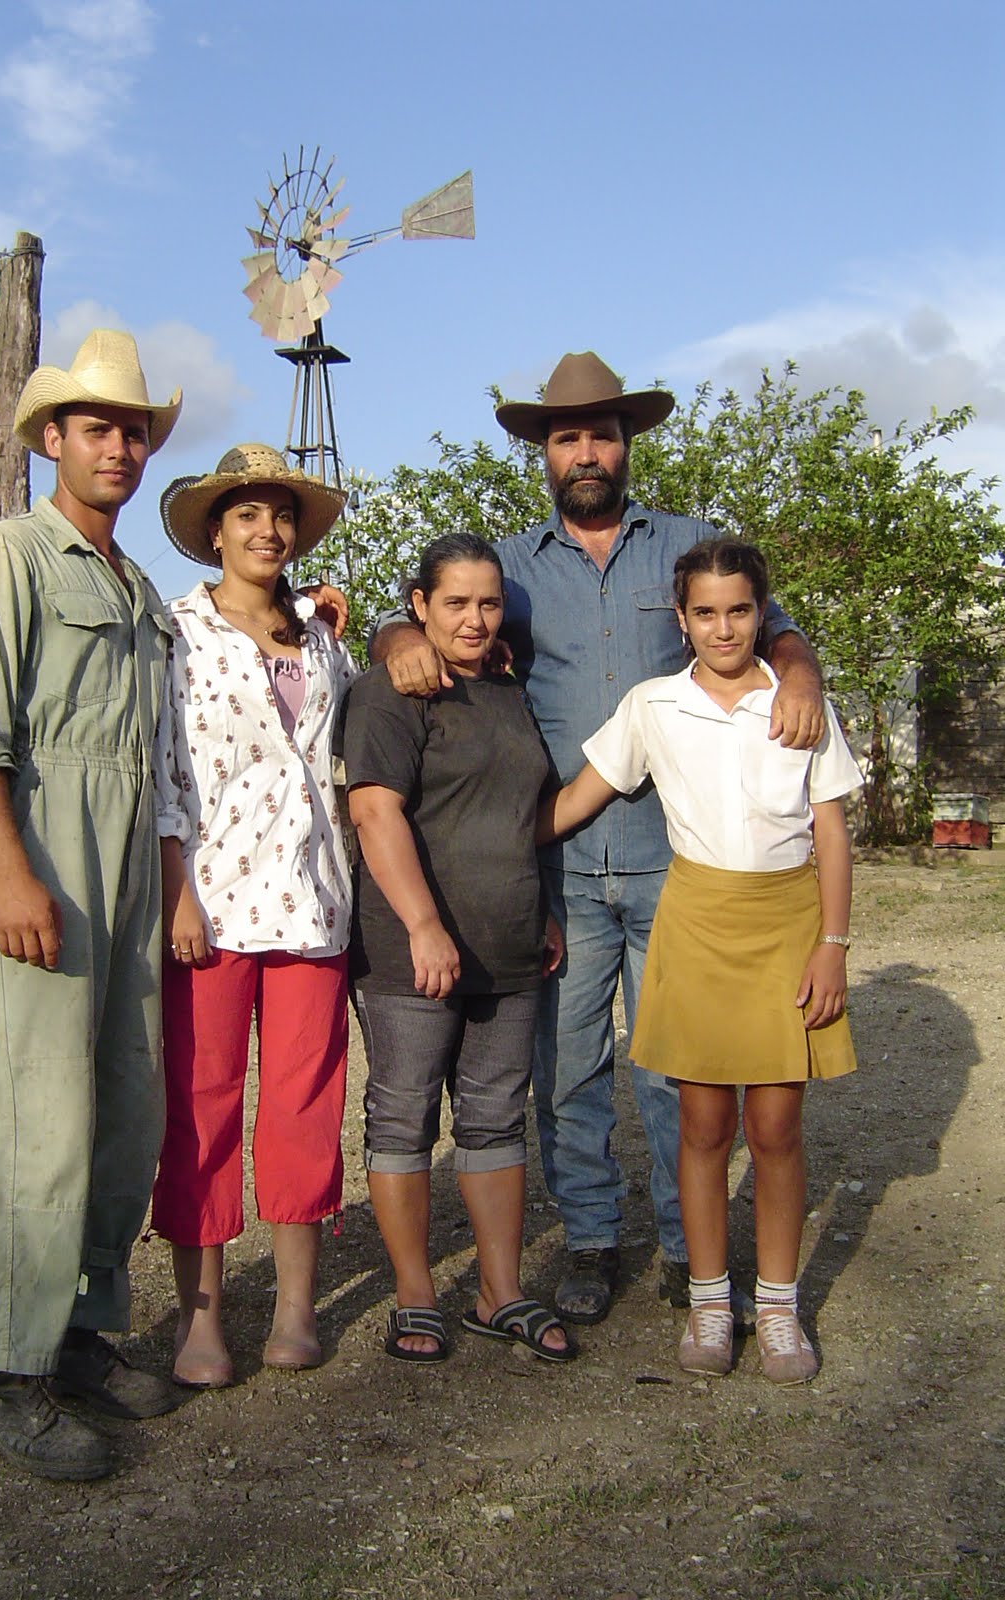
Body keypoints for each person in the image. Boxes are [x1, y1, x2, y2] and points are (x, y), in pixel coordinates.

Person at [373, 351, 826, 1327]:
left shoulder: (695, 549)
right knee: (568, 1066)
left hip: (678, 861)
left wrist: (802, 676)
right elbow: (419, 614)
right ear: (545, 451)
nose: (585, 451)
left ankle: (681, 1243)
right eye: (567, 435)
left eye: (601, 434)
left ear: (628, 444)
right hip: (560, 862)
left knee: (673, 1067)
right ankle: (589, 1239)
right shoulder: (512, 568)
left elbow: (778, 628)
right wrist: (390, 641)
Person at [0, 330, 183, 1479]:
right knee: (34, 1109)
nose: (118, 445)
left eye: (133, 428)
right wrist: (13, 870)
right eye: (97, 427)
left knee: (122, 1104)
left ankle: (79, 1334)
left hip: (129, 861)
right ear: (51, 440)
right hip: (43, 844)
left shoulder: (136, 588)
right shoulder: (4, 558)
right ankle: (3, 1370)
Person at [539, 537, 859, 1382]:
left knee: (777, 1126)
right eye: (706, 613)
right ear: (680, 620)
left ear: (763, 612)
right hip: (698, 924)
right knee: (706, 1125)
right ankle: (713, 1305)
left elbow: (830, 828)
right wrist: (484, 841)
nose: (724, 629)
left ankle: (781, 1308)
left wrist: (833, 944)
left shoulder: (798, 704)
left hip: (789, 926)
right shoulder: (653, 705)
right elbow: (579, 795)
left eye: (741, 610)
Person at [151, 444, 357, 1387]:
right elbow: (164, 776)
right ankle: (201, 1320)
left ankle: (293, 1307)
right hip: (215, 902)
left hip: (313, 900)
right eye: (247, 515)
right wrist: (176, 894)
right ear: (214, 532)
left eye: (280, 514)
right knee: (200, 1110)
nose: (267, 530)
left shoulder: (322, 639)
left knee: (306, 1104)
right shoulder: (177, 635)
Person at [344, 533, 573, 1365]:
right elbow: (375, 814)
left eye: (487, 603)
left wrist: (541, 909)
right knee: (402, 1118)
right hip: (413, 952)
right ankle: (414, 1296)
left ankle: (498, 1290)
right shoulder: (388, 694)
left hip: (511, 943)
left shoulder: (509, 692)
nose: (474, 619)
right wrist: (424, 925)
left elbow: (518, 812)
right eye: (455, 604)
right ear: (418, 607)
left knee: (495, 1118)